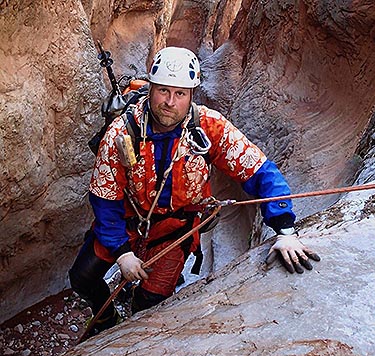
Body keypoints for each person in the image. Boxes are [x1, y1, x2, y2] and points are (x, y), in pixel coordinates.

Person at [69, 46, 320, 336]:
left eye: (180, 94)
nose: (169, 102)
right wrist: (122, 253)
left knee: (149, 304)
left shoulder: (208, 127)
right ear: (150, 89)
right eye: (163, 91)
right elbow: (105, 197)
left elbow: (259, 170)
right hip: (126, 224)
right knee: (82, 278)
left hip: (174, 233)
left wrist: (285, 230)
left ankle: (130, 318)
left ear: (191, 95)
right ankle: (106, 319)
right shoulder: (122, 133)